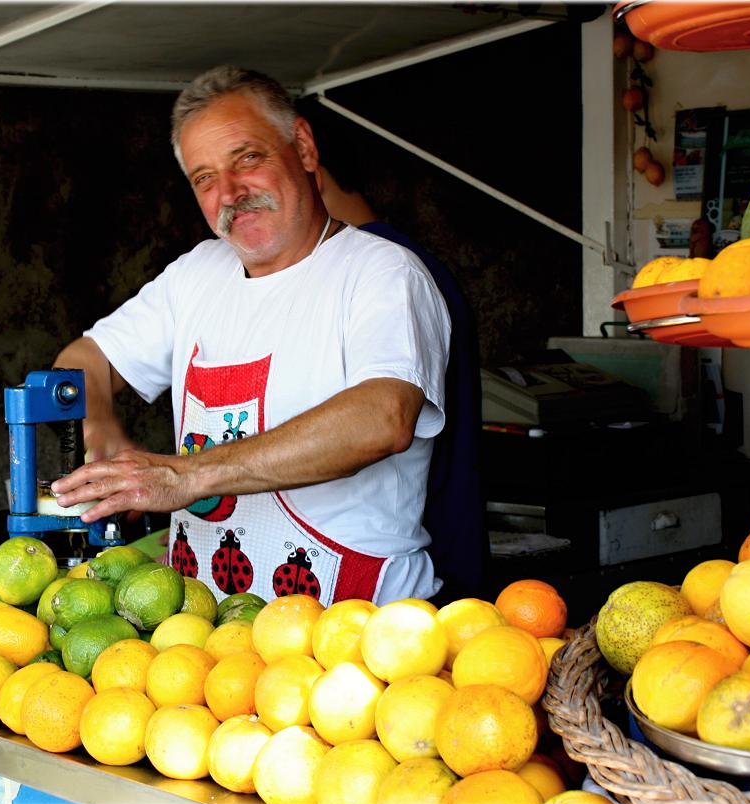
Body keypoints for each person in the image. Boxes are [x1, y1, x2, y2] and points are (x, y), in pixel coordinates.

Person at [51, 66, 451, 604]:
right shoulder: (197, 274)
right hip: (209, 632)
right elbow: (84, 360)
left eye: (248, 158)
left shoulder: (382, 272)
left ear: (303, 148)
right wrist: (100, 429)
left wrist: (188, 477)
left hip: (355, 626)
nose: (231, 193)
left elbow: (382, 418)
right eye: (205, 178)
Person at [304, 104, 488, 602]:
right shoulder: (413, 266)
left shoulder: (389, 277)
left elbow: (383, 424)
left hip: (416, 574)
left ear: (307, 168)